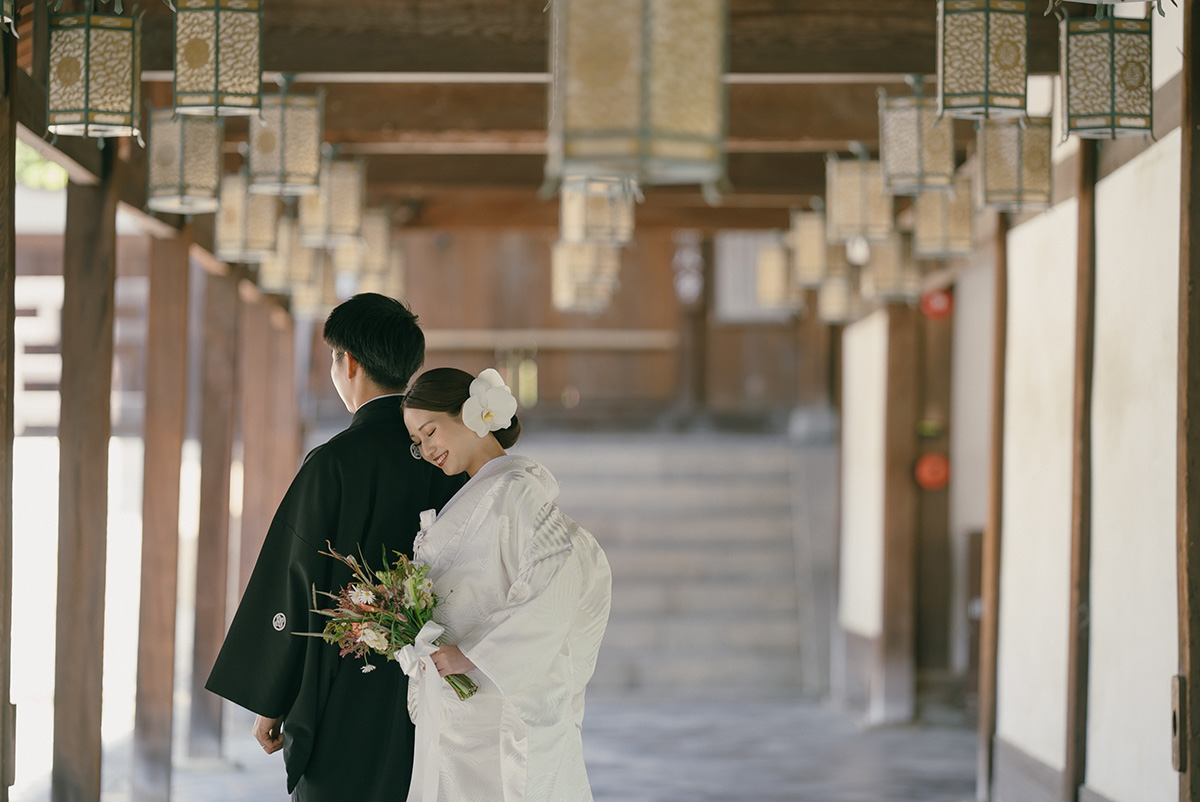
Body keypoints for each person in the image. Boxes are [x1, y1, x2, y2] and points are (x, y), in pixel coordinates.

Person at [205, 294, 466, 801]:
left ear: (349, 362)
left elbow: (297, 581)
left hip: (346, 683)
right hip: (440, 679)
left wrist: (272, 699)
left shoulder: (334, 463)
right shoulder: (446, 456)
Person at [401, 366, 612, 802]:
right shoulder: (481, 494)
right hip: (463, 709)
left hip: (491, 705)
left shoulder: (514, 491)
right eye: (418, 444)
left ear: (468, 413)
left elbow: (559, 572)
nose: (427, 449)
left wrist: (475, 653)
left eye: (431, 431)